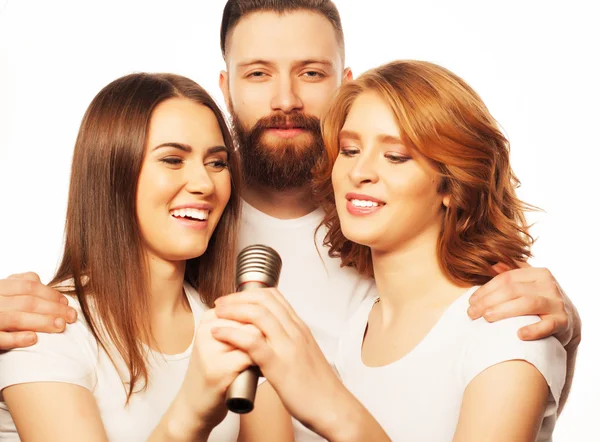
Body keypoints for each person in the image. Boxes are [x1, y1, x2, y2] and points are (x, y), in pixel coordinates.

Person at [0, 1, 581, 440]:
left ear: (343, 85)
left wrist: (563, 334)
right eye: (257, 74)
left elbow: (488, 350)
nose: (285, 99)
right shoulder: (203, 264)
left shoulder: (379, 243)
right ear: (227, 86)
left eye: (309, 73)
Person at [211, 60, 568, 441]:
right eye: (349, 150)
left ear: (451, 183)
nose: (359, 171)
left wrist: (328, 405)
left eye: (395, 156)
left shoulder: (507, 329)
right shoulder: (361, 328)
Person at [0, 72, 290, 442]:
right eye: (172, 159)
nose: (204, 183)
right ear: (112, 172)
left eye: (217, 163)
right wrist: (192, 410)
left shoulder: (235, 328)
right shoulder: (46, 328)